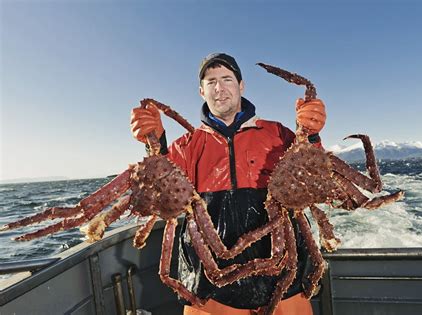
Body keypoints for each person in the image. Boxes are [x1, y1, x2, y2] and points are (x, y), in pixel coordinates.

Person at [130, 53, 326, 315]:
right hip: (210, 291)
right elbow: (161, 193)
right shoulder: (185, 147)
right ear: (202, 91)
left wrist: (312, 136)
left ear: (241, 86)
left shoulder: (278, 134)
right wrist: (155, 143)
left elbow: (313, 177)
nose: (219, 88)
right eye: (211, 82)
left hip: (284, 281)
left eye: (226, 79)